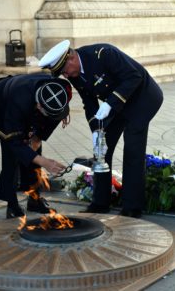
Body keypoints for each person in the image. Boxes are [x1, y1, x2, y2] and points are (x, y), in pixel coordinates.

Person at [38, 40, 163, 218]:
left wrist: (110, 104)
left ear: (71, 58)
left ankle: (133, 207)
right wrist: (97, 132)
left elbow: (134, 76)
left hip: (143, 98)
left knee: (132, 147)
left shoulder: (104, 54)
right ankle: (100, 202)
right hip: (118, 103)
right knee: (102, 150)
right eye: (62, 74)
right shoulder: (74, 74)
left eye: (64, 71)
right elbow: (89, 103)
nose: (65, 76)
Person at [0, 73, 72, 218]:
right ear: (38, 106)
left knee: (35, 151)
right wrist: (45, 162)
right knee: (12, 156)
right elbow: (14, 142)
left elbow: (53, 117)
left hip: (29, 103)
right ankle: (12, 204)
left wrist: (38, 137)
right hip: (2, 106)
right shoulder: (17, 103)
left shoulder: (60, 89)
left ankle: (34, 200)